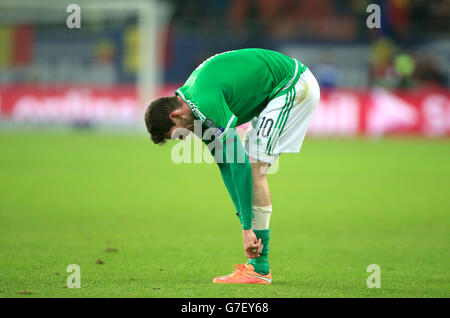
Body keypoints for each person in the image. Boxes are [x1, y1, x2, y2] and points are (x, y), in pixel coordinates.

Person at [144, 48, 320, 284]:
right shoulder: (194, 111)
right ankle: (257, 267)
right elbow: (225, 165)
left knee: (254, 167)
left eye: (177, 135)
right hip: (275, 91)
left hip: (292, 84)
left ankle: (259, 268)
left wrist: (247, 228)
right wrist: (242, 218)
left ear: (176, 116)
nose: (183, 139)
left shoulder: (204, 102)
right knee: (249, 163)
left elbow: (239, 165)